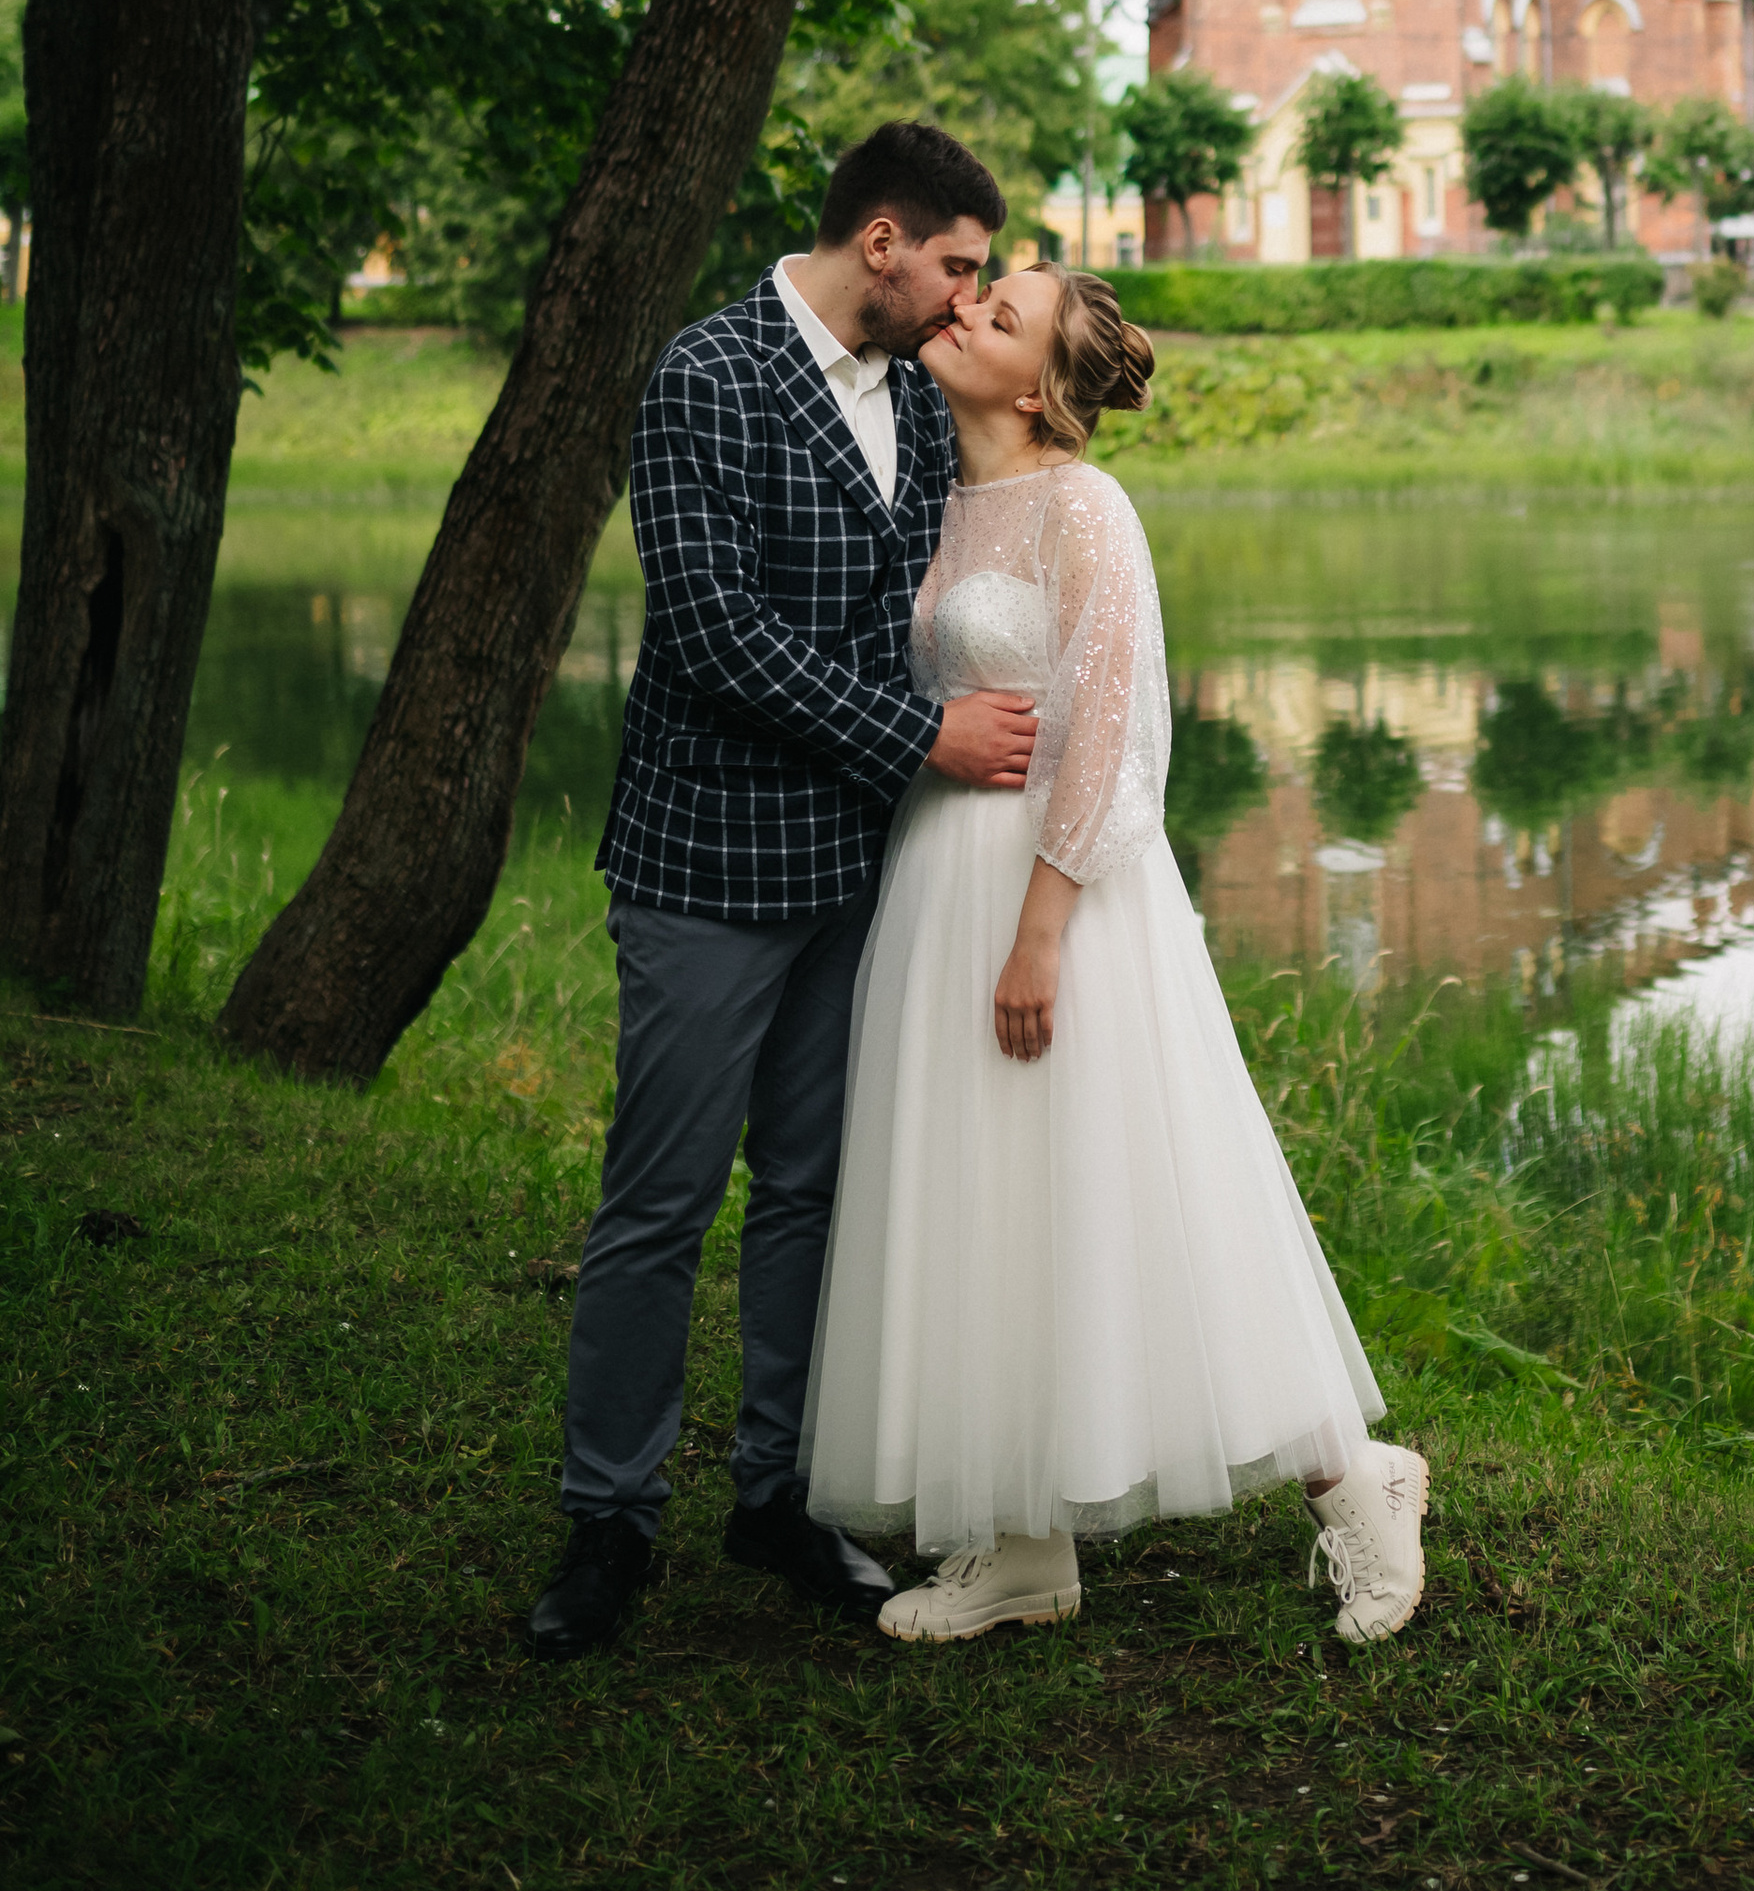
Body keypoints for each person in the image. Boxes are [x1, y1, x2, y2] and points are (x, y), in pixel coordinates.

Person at [798, 264, 1427, 1647]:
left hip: (1062, 897)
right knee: (983, 1197)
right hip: (936, 878)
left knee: (1151, 1187)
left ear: (1034, 385)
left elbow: (1118, 734)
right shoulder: (936, 494)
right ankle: (1020, 1547)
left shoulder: (1086, 506)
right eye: (974, 296)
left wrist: (1040, 933)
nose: (962, 310)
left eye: (997, 314)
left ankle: (1357, 1481)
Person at [528, 122, 1039, 1666]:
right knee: (659, 1204)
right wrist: (926, 735)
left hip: (858, 877)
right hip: (706, 867)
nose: (963, 301)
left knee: (813, 1192)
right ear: (879, 240)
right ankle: (608, 1517)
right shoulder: (708, 373)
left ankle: (778, 1490)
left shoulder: (922, 399)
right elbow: (707, 630)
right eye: (955, 265)